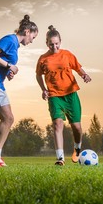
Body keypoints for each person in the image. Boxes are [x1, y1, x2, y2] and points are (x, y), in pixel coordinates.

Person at [0, 15, 38, 167]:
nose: (31, 41)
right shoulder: (10, 39)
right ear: (27, 31)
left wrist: (8, 70)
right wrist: (9, 66)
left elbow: (2, 62)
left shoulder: (15, 45)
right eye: (33, 37)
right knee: (8, 118)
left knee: (7, 119)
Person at [36, 25, 91, 166]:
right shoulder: (43, 59)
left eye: (56, 43)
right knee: (57, 124)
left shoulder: (67, 55)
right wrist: (43, 89)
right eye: (51, 44)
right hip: (54, 95)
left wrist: (84, 75)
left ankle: (77, 149)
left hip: (71, 94)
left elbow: (78, 68)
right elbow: (38, 75)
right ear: (46, 43)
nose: (54, 46)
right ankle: (60, 158)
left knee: (77, 128)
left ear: (60, 41)